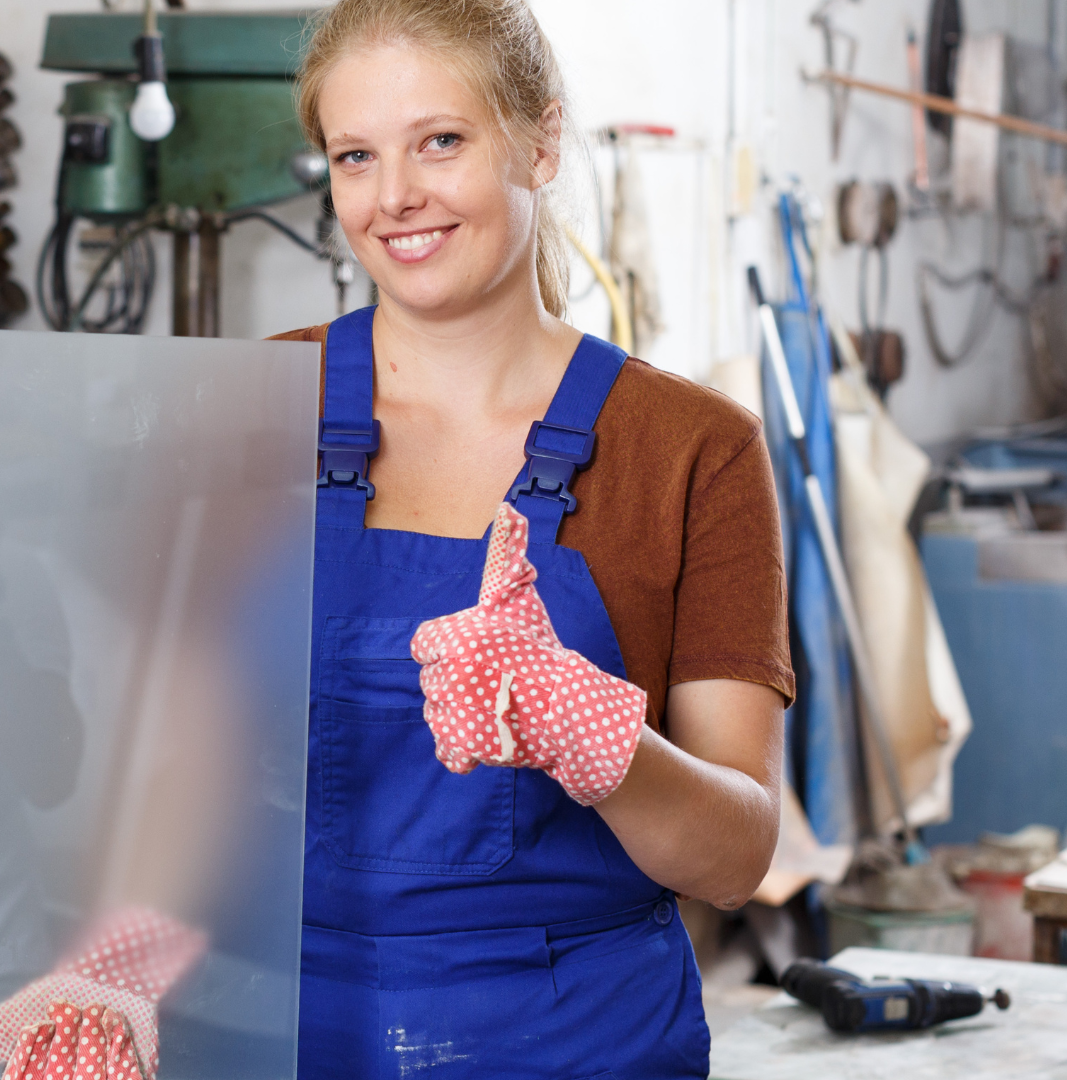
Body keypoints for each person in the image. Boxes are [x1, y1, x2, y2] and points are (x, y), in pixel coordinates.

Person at [274, 1, 792, 1076]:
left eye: (442, 141)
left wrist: (605, 748)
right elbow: (168, 766)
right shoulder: (246, 402)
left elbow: (738, 856)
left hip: (572, 1036)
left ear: (541, 142)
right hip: (271, 1026)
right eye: (355, 155)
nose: (396, 197)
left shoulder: (690, 450)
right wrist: (110, 965)